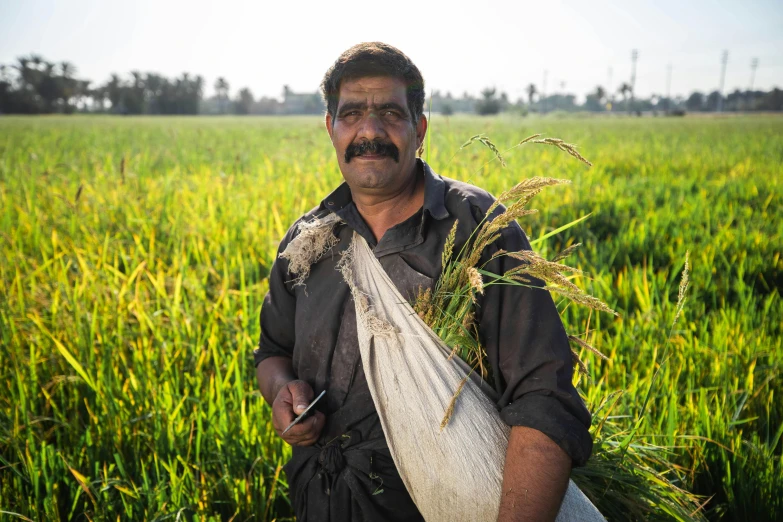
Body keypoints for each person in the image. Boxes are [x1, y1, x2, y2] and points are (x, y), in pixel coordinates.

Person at [255, 42, 592, 521]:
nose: (369, 131)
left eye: (391, 112)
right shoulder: (309, 242)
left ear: (421, 129)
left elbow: (543, 397)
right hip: (323, 500)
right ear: (330, 128)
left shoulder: (476, 229)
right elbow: (272, 352)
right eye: (351, 114)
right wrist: (283, 392)